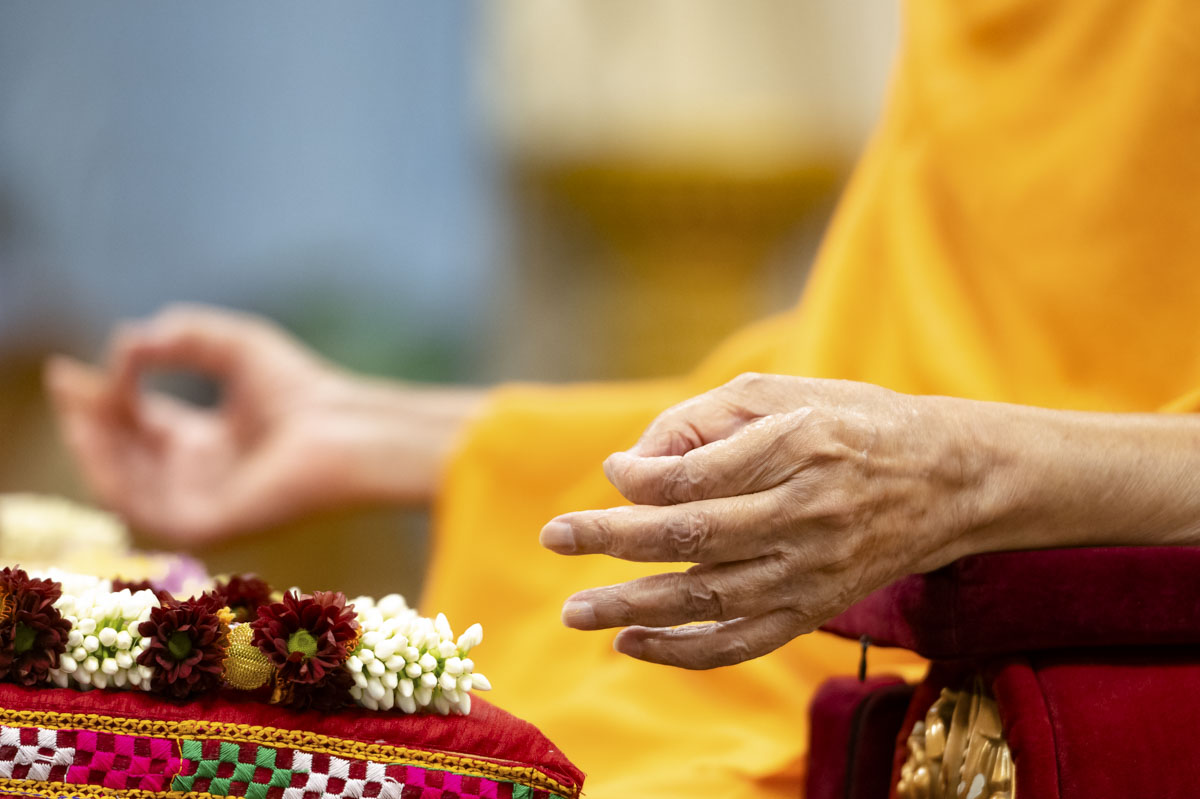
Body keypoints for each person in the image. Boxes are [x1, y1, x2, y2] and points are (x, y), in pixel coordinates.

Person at [44, 0, 1200, 795]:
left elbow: (950, 423)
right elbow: (903, 353)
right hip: (760, 650)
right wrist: (374, 432)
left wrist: (965, 478)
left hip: (1002, 670)